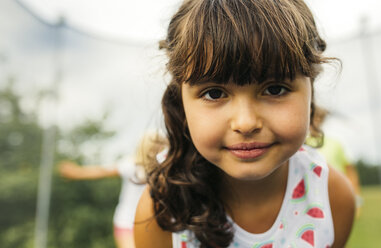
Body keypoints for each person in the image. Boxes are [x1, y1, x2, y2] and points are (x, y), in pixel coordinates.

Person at [134, 0, 355, 247]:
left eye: (274, 89)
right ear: (181, 99)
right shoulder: (162, 211)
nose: (246, 123)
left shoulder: (332, 198)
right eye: (214, 93)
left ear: (310, 89)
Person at [59, 131, 166, 248]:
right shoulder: (131, 165)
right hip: (126, 222)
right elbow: (102, 171)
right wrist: (78, 173)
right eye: (158, 144)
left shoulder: (163, 168)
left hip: (151, 224)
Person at [308, 107, 363, 216]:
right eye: (313, 117)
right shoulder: (301, 144)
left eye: (320, 117)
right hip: (311, 199)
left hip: (337, 195)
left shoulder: (336, 143)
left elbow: (350, 173)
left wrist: (357, 201)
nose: (316, 121)